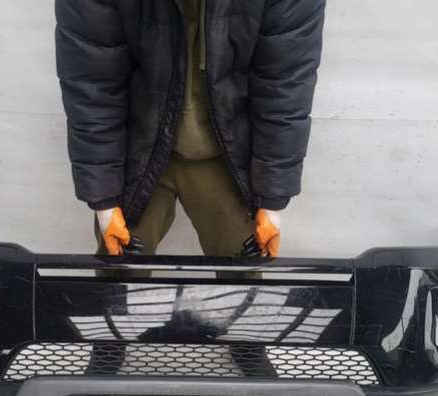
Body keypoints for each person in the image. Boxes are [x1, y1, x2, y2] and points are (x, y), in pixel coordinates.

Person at [55, 0, 326, 258]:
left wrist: (272, 198)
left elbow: (285, 82)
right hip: (137, 145)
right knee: (119, 273)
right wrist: (104, 200)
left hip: (228, 149)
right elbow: (92, 80)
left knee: (242, 273)